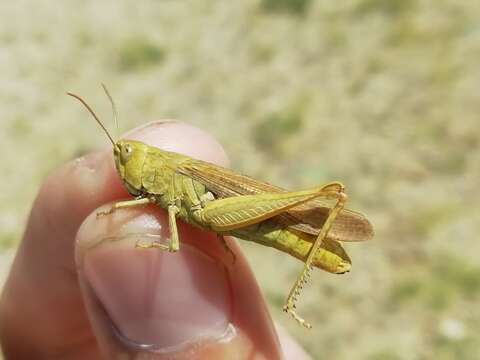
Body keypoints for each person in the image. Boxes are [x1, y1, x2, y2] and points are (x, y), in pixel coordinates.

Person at [0, 121, 310, 359]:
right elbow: (178, 207)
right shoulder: (160, 185)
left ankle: (292, 302)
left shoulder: (172, 170)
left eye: (127, 155)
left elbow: (188, 214)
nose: (122, 165)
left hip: (245, 212)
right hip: (218, 213)